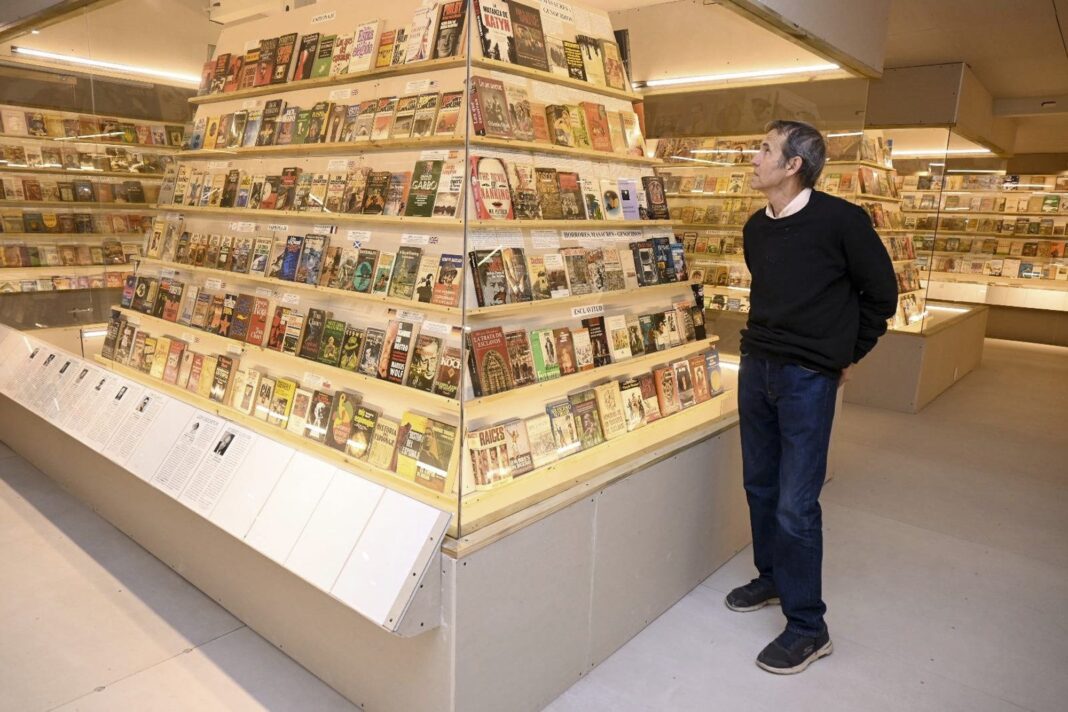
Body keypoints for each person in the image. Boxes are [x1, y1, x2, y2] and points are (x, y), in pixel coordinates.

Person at [726, 120, 897, 675]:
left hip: (807, 378)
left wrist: (845, 354)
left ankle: (808, 627)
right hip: (757, 367)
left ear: (793, 165)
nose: (754, 158)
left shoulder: (842, 221)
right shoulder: (757, 227)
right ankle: (772, 578)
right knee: (759, 484)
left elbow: (882, 296)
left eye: (765, 149)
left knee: (796, 504)